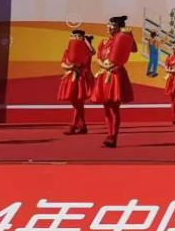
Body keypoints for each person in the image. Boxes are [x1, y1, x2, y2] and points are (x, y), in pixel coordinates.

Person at [91, 15, 137, 148]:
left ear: (119, 28)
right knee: (106, 107)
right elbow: (98, 58)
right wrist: (104, 66)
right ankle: (109, 134)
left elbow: (134, 49)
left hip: (116, 75)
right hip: (104, 74)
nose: (109, 27)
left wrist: (130, 35)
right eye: (108, 24)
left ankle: (113, 137)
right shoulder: (103, 42)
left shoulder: (122, 39)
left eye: (112, 25)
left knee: (114, 108)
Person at [57, 29, 94, 134]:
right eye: (74, 36)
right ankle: (82, 125)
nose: (76, 38)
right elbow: (62, 63)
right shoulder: (67, 51)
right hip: (70, 78)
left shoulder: (86, 51)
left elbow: (92, 52)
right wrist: (69, 66)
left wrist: (85, 40)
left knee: (78, 102)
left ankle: (73, 125)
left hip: (81, 78)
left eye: (78, 36)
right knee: (75, 102)